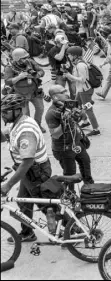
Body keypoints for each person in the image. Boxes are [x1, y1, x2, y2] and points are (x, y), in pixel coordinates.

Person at [1, 94, 52, 243]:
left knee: (46, 205)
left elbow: (28, 161)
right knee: (23, 202)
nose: (2, 114)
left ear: (17, 110)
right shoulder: (15, 123)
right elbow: (4, 137)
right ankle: (27, 232)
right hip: (28, 173)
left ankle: (73, 229)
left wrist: (8, 184)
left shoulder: (26, 131)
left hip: (36, 172)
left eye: (5, 111)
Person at [45, 85, 95, 189]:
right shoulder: (51, 113)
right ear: (55, 97)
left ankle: (89, 190)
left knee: (86, 164)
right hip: (64, 149)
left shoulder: (69, 105)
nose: (66, 93)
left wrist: (80, 114)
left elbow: (76, 121)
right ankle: (71, 196)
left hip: (76, 143)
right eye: (63, 92)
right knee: (70, 176)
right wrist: (65, 121)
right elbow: (56, 134)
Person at [3, 48, 46, 133]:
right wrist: (20, 77)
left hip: (34, 92)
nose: (26, 59)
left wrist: (36, 75)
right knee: (26, 114)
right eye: (24, 58)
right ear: (17, 58)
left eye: (26, 57)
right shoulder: (9, 67)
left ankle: (37, 125)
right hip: (21, 94)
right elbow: (7, 81)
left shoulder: (30, 62)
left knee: (40, 108)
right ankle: (29, 128)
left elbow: (42, 71)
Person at [61, 46, 101, 136]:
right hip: (81, 90)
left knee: (88, 109)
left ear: (75, 55)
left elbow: (82, 79)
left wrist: (70, 76)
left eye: (70, 55)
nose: (68, 56)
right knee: (75, 105)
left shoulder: (80, 65)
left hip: (85, 91)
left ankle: (96, 129)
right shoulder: (77, 63)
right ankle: (85, 121)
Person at [48, 33, 76, 99]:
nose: (65, 45)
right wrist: (63, 47)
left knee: (74, 91)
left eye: (64, 43)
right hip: (59, 74)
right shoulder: (53, 50)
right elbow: (59, 57)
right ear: (57, 43)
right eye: (62, 43)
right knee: (60, 92)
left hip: (69, 72)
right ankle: (62, 106)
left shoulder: (66, 48)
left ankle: (73, 104)